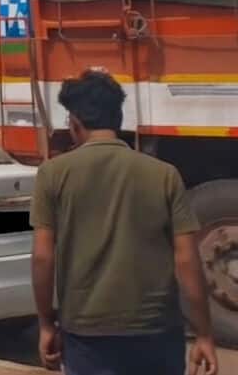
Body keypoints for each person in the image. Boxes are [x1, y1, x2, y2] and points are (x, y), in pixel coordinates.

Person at [31, 70, 219, 375]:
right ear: (118, 119)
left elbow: (42, 256)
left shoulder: (53, 174)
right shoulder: (164, 174)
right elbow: (186, 260)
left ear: (75, 123)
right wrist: (204, 334)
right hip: (156, 330)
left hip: (86, 331)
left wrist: (45, 323)